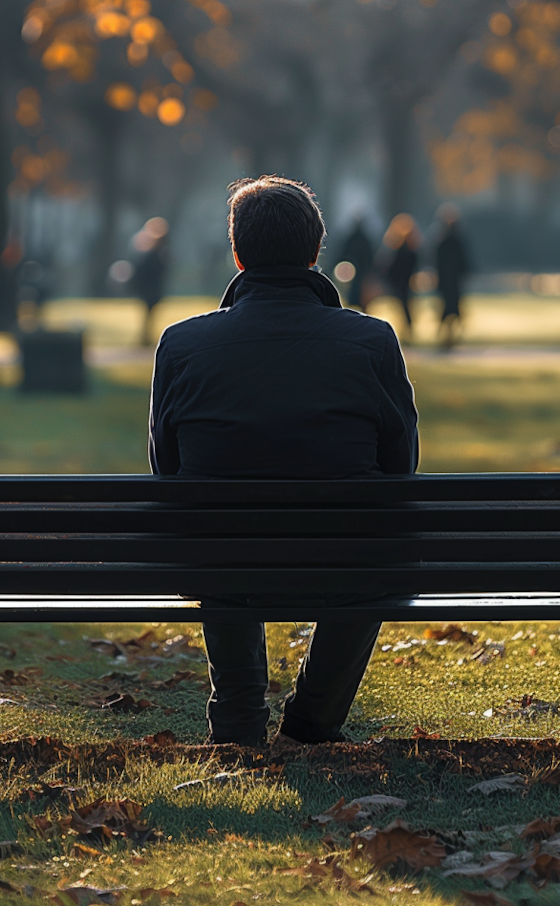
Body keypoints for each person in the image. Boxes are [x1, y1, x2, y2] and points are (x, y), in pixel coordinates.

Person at [149, 176, 418, 747]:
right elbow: (401, 466)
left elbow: (167, 471)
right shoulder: (371, 341)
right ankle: (314, 721)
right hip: (344, 556)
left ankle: (240, 716)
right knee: (373, 553)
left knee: (213, 536)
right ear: (317, 252)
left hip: (218, 556)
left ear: (238, 253)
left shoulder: (182, 344)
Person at [434, 204, 472, 350]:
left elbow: (463, 260)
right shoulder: (442, 238)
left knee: (453, 307)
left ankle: (450, 334)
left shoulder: (454, 238)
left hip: (454, 280)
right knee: (446, 307)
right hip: (446, 280)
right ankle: (446, 335)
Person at [378, 214, 421, 342]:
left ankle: (407, 329)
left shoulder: (398, 248)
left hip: (400, 282)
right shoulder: (410, 249)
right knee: (404, 306)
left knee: (404, 306)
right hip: (402, 282)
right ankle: (407, 329)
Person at [130, 217, 169, 346]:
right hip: (152, 290)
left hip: (150, 289)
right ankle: (145, 338)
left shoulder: (154, 255)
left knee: (149, 315)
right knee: (149, 315)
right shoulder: (160, 254)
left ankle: (145, 338)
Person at [335, 216, 377, 310]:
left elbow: (344, 253)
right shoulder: (364, 239)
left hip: (353, 270)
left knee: (356, 291)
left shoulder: (352, 238)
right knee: (361, 292)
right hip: (360, 270)